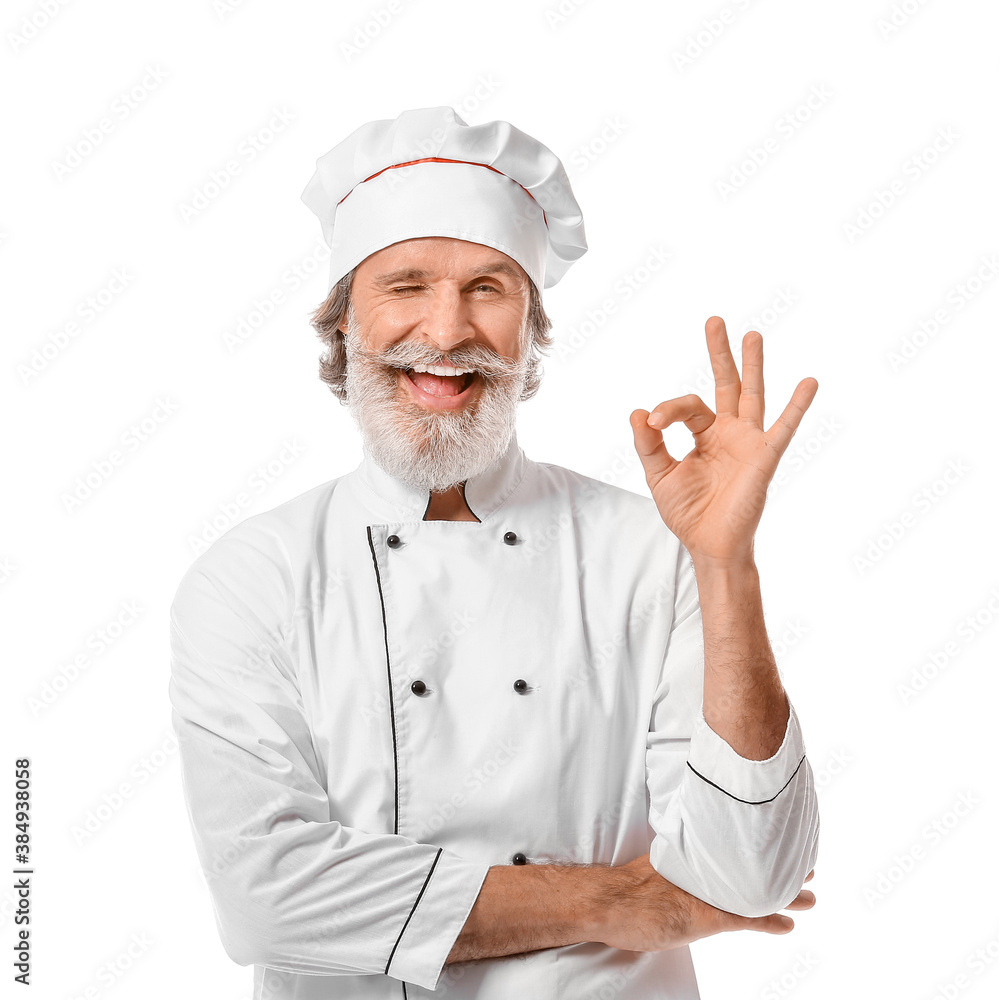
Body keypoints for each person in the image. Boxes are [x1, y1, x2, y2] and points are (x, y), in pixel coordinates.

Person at [169, 106, 820, 1000]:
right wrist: (615, 903)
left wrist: (724, 563)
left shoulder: (649, 552)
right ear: (343, 321)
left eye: (488, 287)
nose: (444, 332)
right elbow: (263, 903)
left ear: (530, 327)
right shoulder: (255, 576)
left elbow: (750, 879)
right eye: (403, 284)